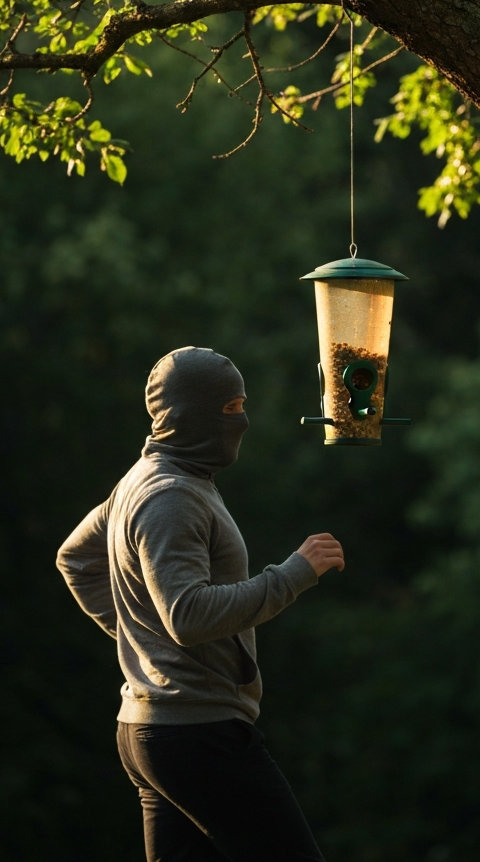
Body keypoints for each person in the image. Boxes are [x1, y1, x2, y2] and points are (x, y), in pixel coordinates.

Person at [56, 346, 343, 862]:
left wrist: (140, 640)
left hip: (152, 733)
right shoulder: (171, 494)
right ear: (192, 415)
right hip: (197, 736)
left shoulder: (145, 480)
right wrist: (295, 573)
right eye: (231, 409)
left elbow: (76, 559)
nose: (244, 421)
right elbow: (187, 615)